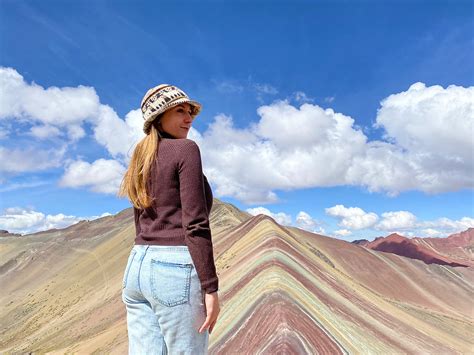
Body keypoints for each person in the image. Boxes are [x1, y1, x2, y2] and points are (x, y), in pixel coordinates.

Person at [117, 84, 220, 354]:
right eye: (179, 111)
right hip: (174, 270)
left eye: (190, 112)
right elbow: (195, 223)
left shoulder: (141, 157)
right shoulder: (185, 149)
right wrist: (211, 288)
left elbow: (141, 219)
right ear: (159, 117)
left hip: (137, 267)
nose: (188, 118)